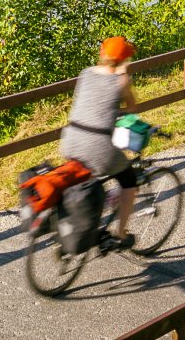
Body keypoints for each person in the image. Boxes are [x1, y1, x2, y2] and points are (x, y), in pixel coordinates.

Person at [58, 36, 142, 250]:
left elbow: (91, 103)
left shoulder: (85, 73)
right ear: (125, 59)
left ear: (102, 54)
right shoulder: (121, 80)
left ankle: (85, 214)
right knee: (129, 181)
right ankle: (121, 234)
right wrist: (124, 78)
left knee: (88, 179)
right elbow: (132, 108)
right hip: (98, 147)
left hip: (70, 140)